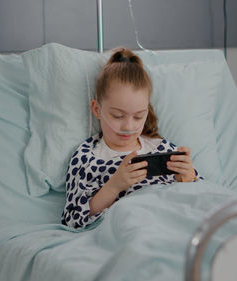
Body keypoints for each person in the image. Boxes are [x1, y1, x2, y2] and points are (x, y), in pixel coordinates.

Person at [61, 48, 202, 229]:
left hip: (173, 223)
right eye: (118, 116)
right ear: (97, 110)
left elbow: (198, 200)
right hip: (130, 228)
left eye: (138, 117)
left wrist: (189, 178)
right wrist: (114, 186)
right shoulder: (87, 157)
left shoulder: (163, 149)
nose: (128, 126)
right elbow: (72, 219)